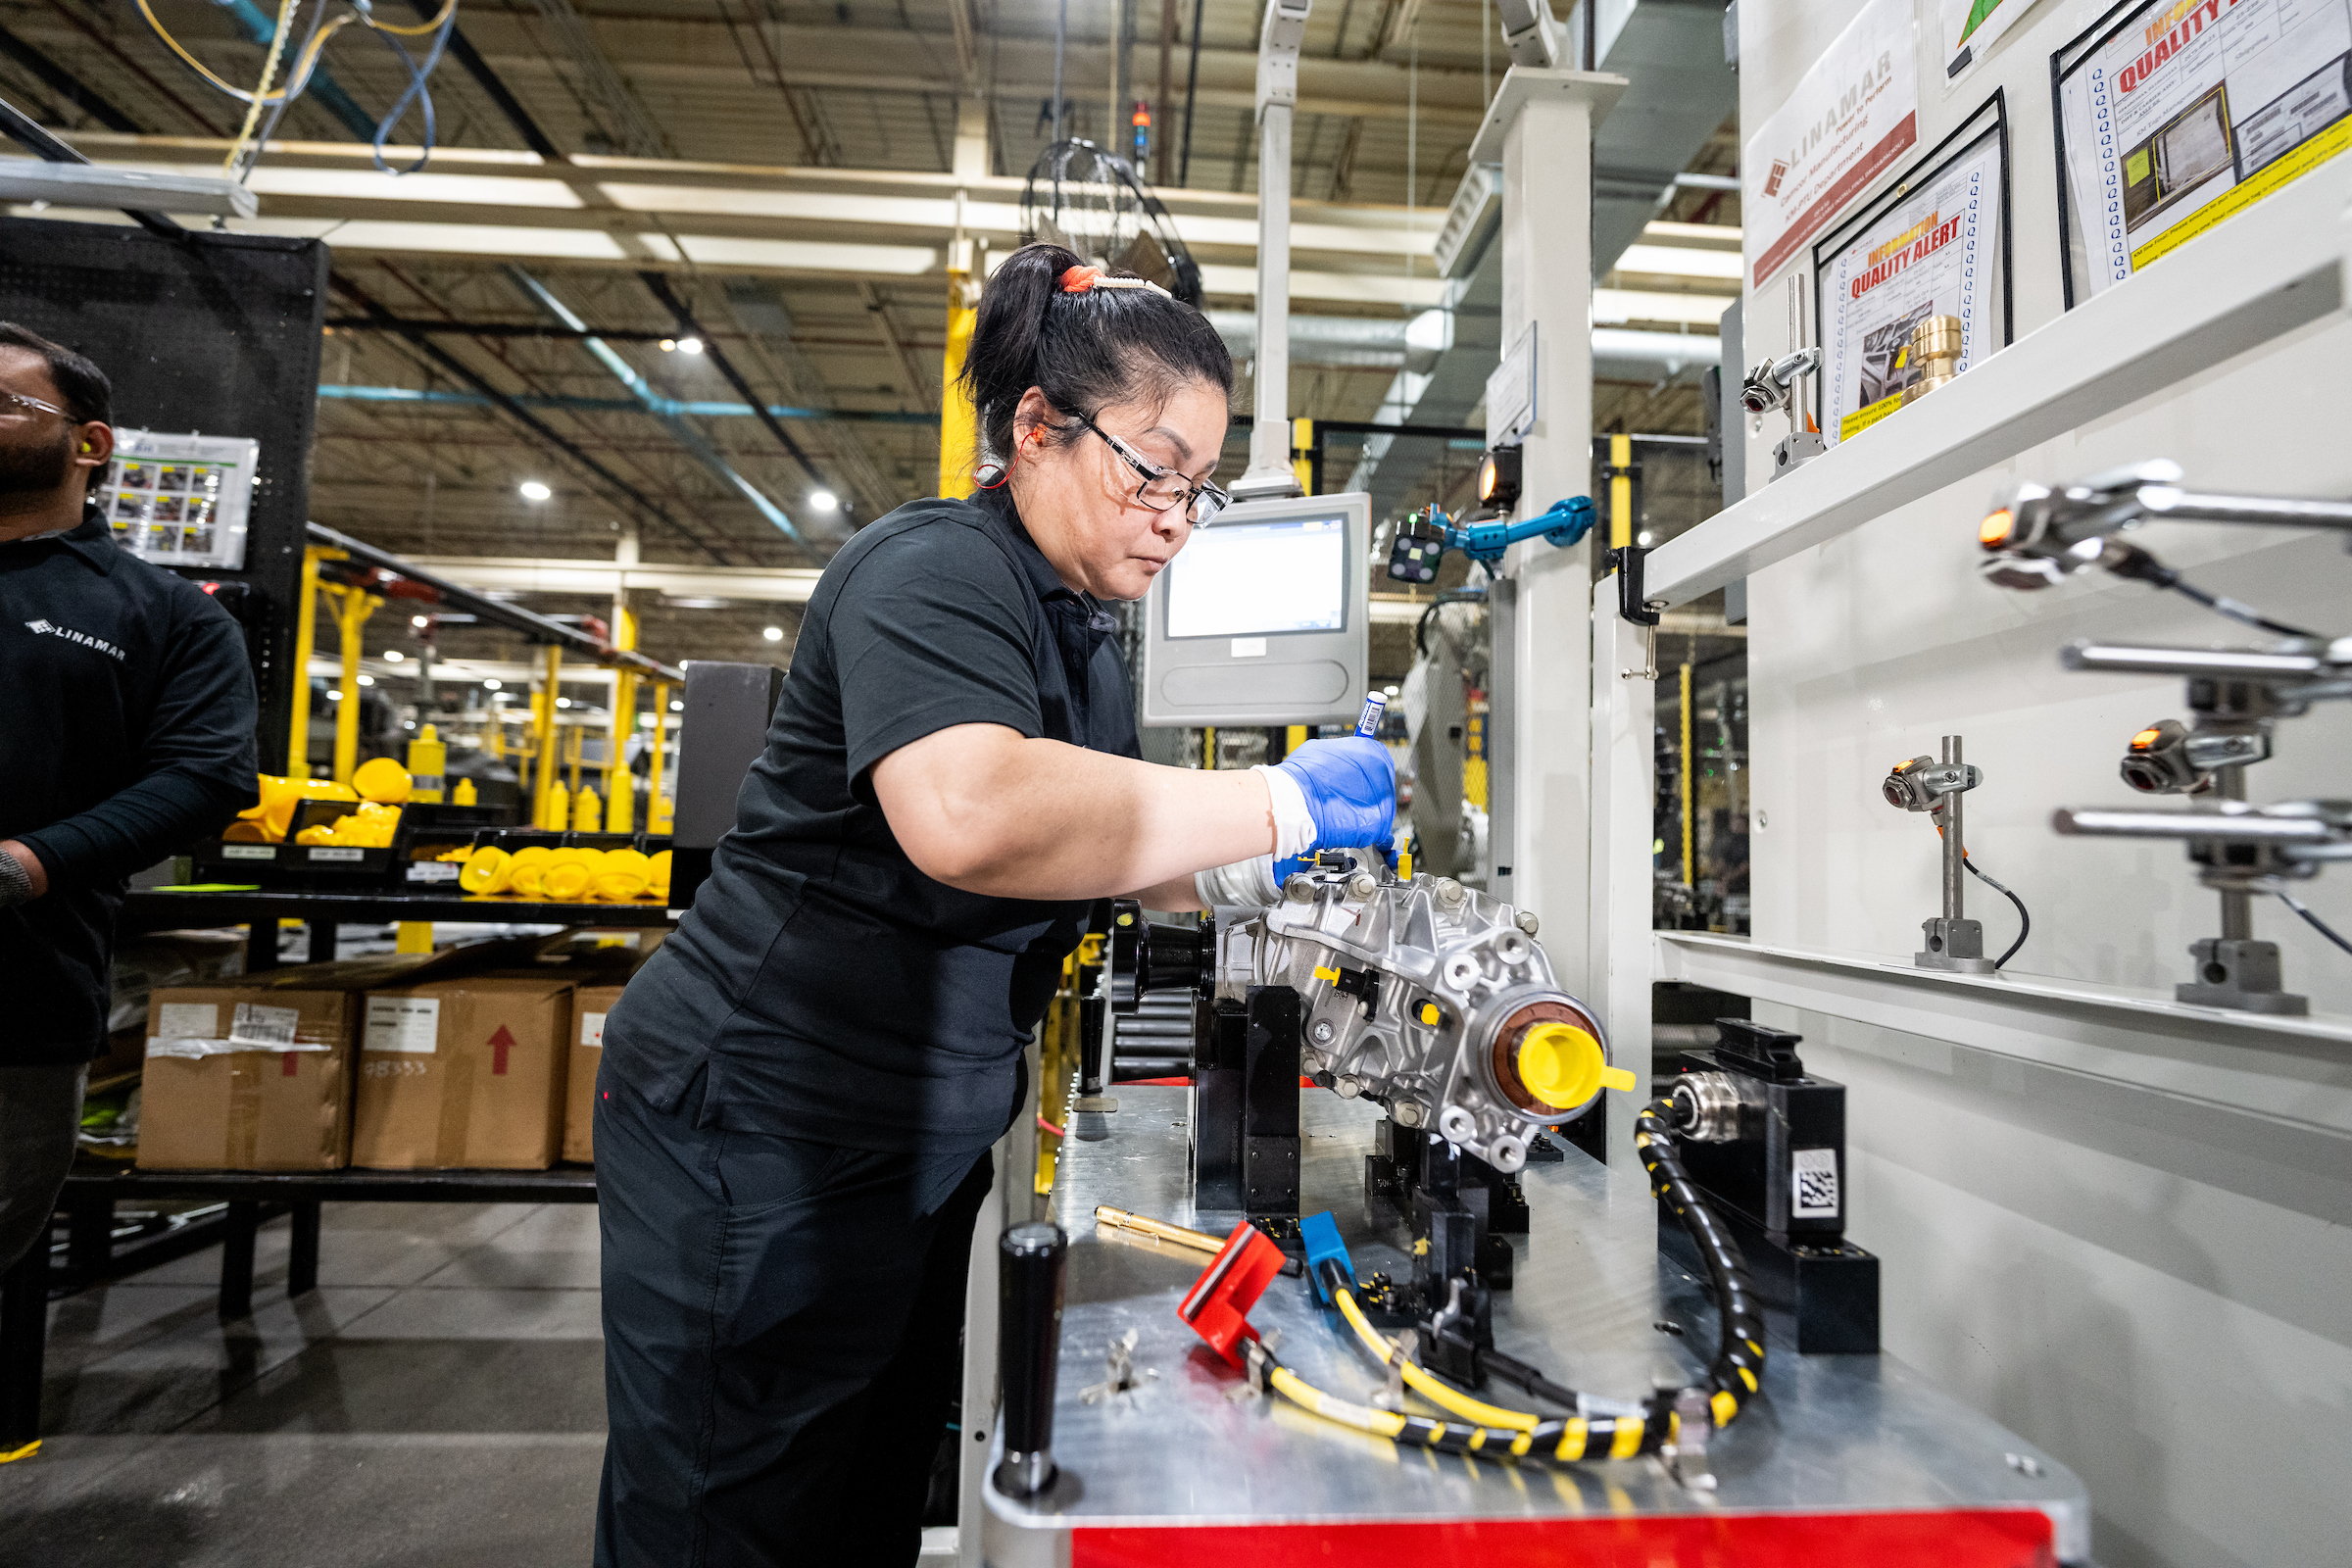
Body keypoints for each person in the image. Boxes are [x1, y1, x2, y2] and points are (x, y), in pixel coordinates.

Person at [592, 244, 1394, 1566]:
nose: (1178, 518)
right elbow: (968, 812)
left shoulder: (1083, 634)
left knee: (857, 1488)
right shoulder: (929, 571)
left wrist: (1278, 869)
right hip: (757, 1122)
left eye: (1202, 485)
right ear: (1037, 428)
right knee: (729, 1507)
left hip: (907, 1129)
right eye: (1154, 469)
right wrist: (1279, 803)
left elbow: (1117, 846)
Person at [0, 323, 259, 1281]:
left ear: (90, 443)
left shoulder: (163, 616)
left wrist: (31, 864)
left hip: (18, 998)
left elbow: (207, 776)